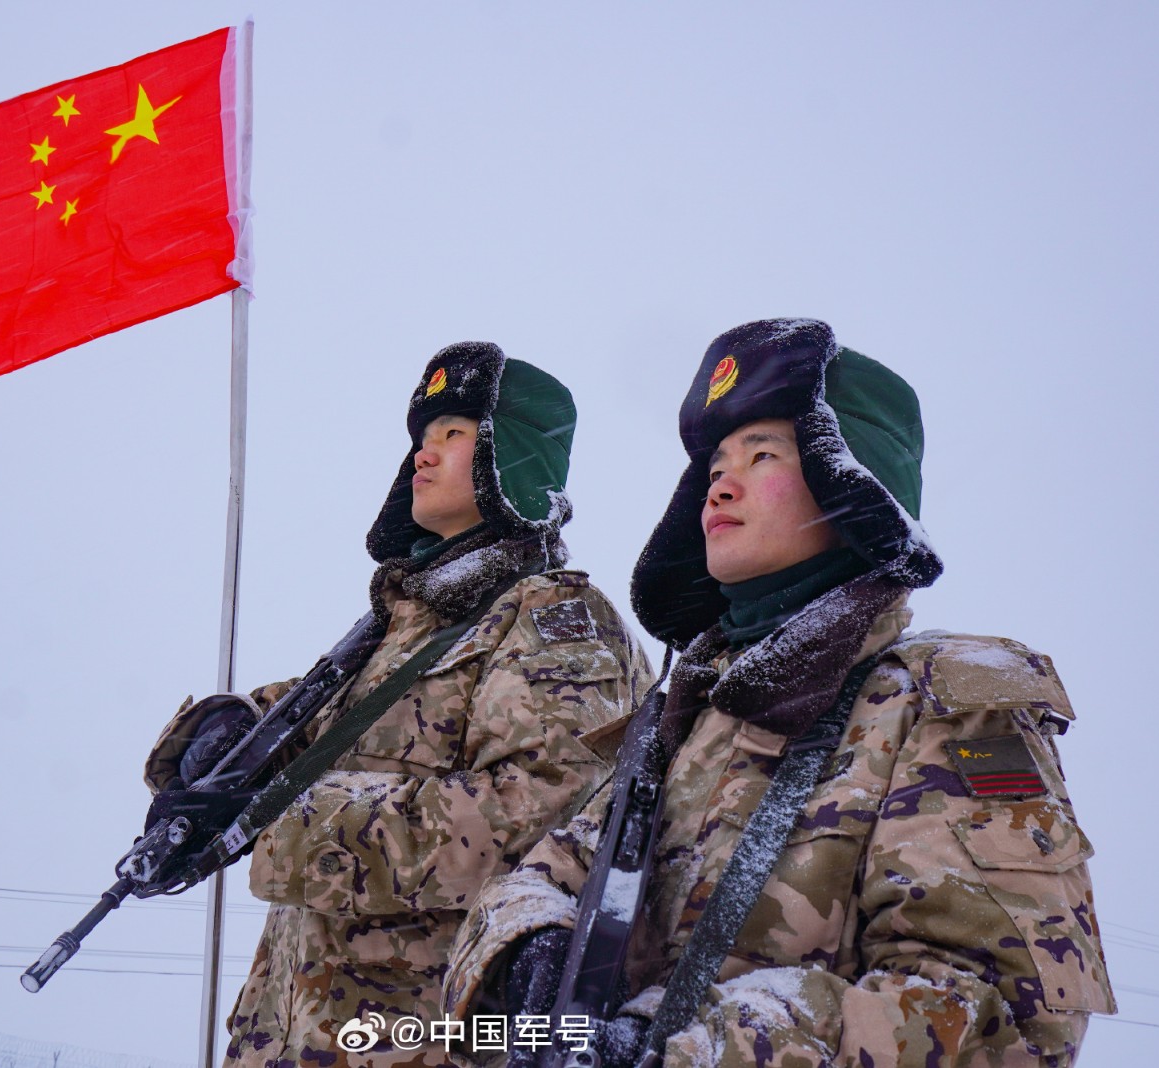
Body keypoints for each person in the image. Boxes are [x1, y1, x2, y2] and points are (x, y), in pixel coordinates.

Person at [445, 319, 1115, 1067]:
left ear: (850, 482)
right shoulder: (684, 715)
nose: (720, 483)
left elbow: (1012, 1021)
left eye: (762, 454)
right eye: (715, 464)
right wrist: (531, 950)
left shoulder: (941, 704)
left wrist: (698, 1051)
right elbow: (539, 875)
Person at [143, 342, 655, 1068]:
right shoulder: (399, 626)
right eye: (422, 435)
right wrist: (222, 740)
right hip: (291, 1037)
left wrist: (287, 821)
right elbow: (315, 729)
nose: (424, 452)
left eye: (455, 433)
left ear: (511, 459)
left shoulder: (551, 619)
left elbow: (542, 821)